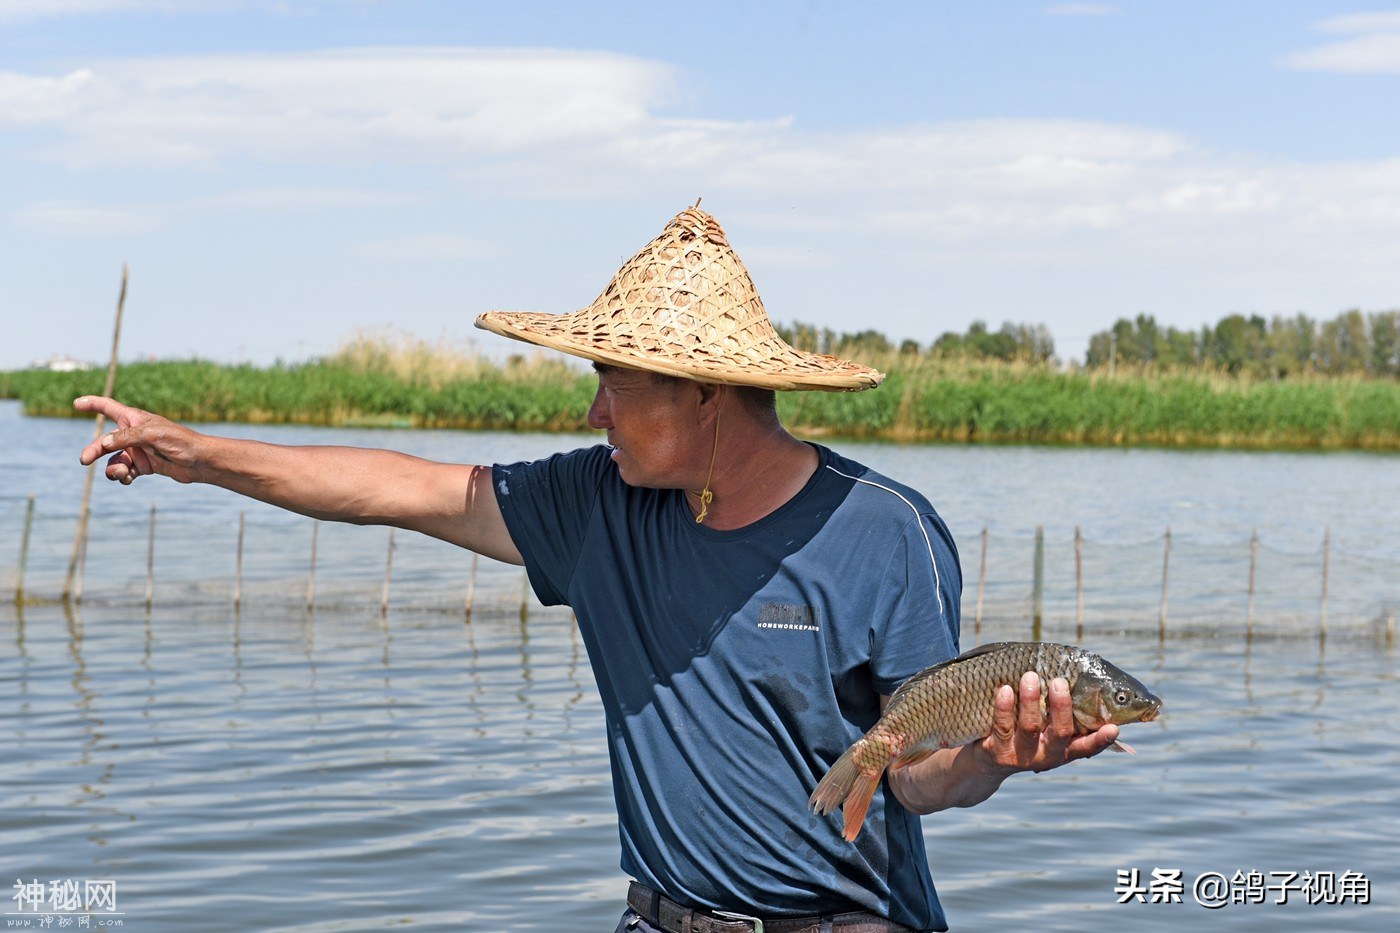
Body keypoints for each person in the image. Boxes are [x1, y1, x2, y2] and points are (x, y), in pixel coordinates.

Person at [76, 205, 1120, 933]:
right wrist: (199, 456)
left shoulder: (879, 530)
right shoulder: (595, 506)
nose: (590, 413)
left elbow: (922, 775)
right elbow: (395, 487)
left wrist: (995, 757)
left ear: (702, 394)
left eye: (611, 383)